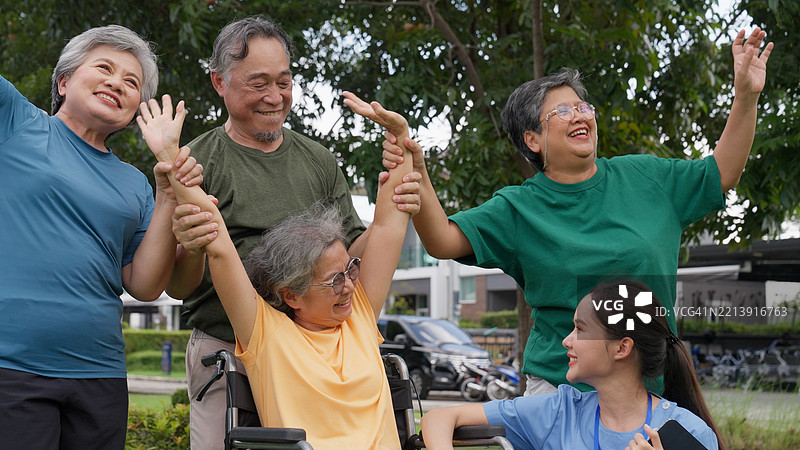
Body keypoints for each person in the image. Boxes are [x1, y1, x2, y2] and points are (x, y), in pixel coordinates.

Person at [381, 27, 773, 395]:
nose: (581, 115)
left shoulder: (647, 177)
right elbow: (442, 241)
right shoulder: (519, 207)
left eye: (582, 106)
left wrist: (746, 96)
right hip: (558, 392)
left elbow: (723, 170)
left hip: (651, 393)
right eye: (562, 112)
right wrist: (418, 169)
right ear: (532, 139)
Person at [164, 16, 421, 449]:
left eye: (284, 82)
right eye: (258, 82)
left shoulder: (318, 160)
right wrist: (170, 158)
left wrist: (398, 166)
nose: (274, 96)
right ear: (219, 82)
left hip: (325, 334)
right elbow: (209, 259)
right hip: (236, 339)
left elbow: (364, 248)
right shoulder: (199, 161)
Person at [0, 25, 202, 448]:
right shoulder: (16, 121)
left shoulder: (135, 184)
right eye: (104, 68)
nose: (117, 82)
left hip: (100, 374)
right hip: (12, 366)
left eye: (132, 82)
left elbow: (146, 285)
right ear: (64, 81)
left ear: (136, 110)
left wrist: (167, 193)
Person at [420, 281, 724, 450]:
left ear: (622, 347)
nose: (567, 341)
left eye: (580, 329)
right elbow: (439, 418)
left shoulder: (689, 434)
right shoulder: (557, 412)